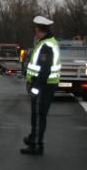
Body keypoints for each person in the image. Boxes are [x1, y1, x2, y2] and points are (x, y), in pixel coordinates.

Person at [20, 16, 61, 155]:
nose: (34, 33)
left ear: (39, 29)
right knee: (38, 115)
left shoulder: (46, 46)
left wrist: (36, 87)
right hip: (45, 85)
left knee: (38, 115)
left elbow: (45, 69)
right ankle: (33, 138)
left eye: (35, 30)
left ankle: (36, 145)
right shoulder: (46, 42)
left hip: (43, 86)